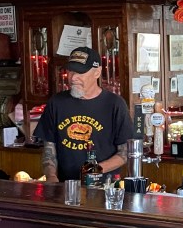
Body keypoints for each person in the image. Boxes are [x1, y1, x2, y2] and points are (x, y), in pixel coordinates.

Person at [36, 46, 134, 182]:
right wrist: (51, 176)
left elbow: (125, 152)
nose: (73, 77)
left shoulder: (114, 104)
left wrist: (95, 169)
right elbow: (49, 148)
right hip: (66, 186)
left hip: (104, 186)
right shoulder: (56, 103)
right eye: (70, 71)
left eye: (80, 72)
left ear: (97, 72)